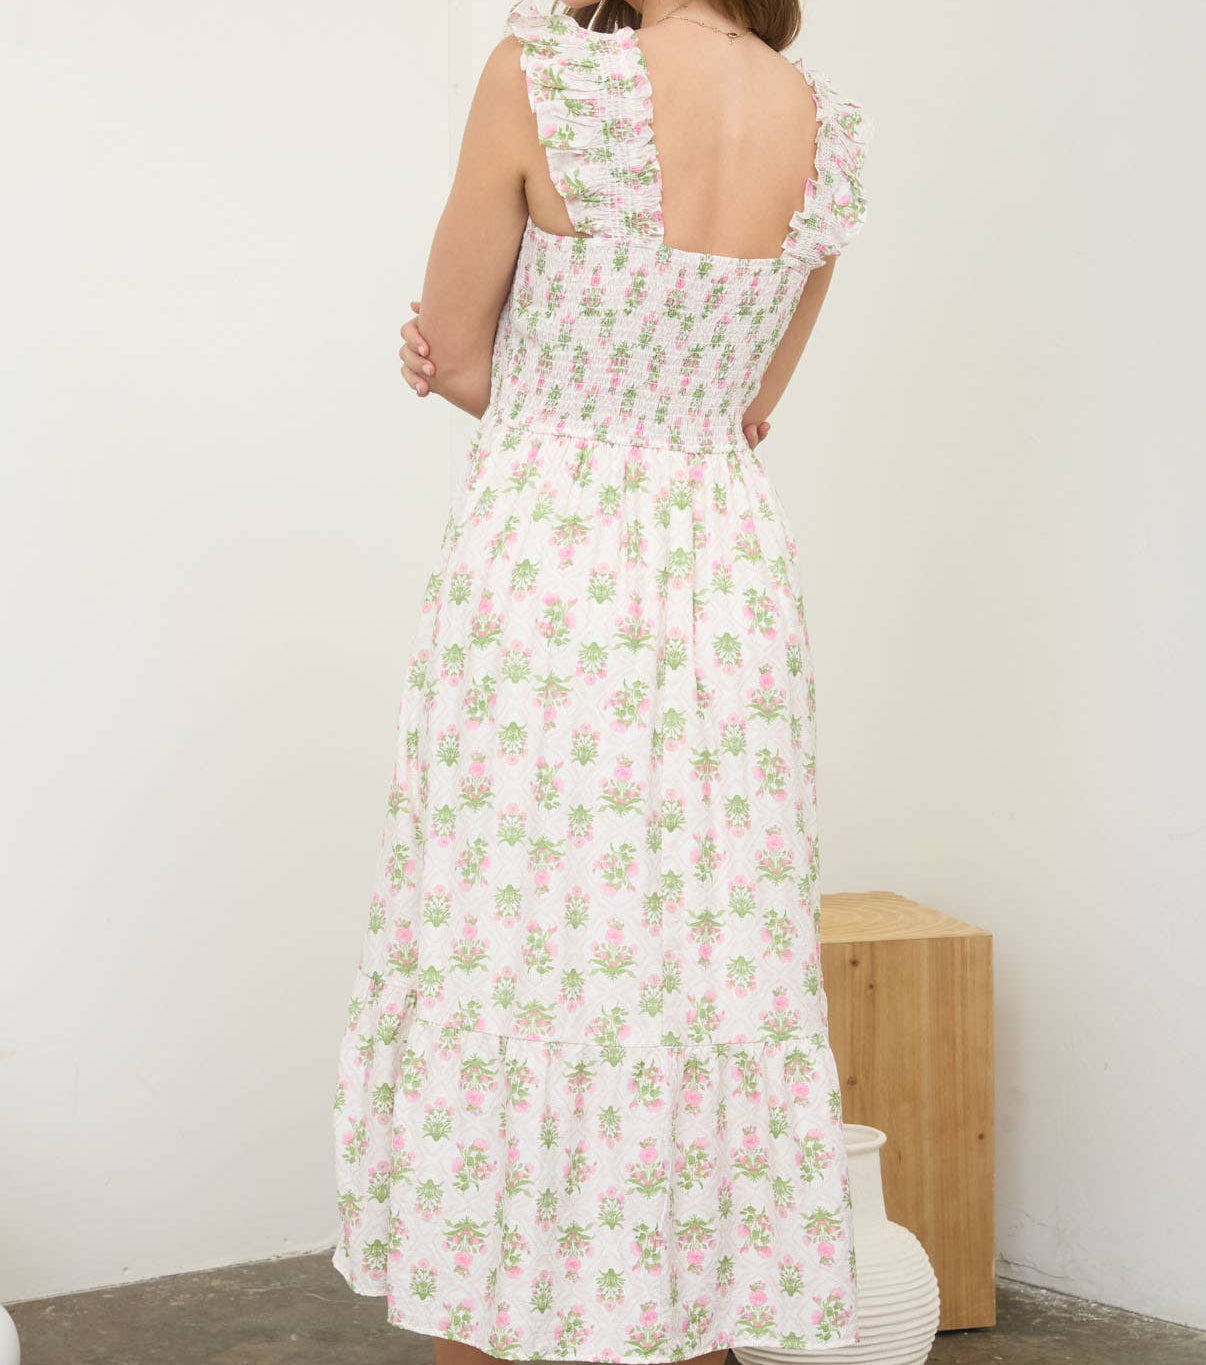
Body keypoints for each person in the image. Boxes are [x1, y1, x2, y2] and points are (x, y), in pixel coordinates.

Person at [330, 2, 873, 1361]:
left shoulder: (542, 79)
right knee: (703, 969)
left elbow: (456, 355)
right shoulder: (819, 132)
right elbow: (743, 412)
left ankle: (492, 1313)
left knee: (517, 959)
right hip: (720, 583)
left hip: (549, 581)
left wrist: (497, 376)